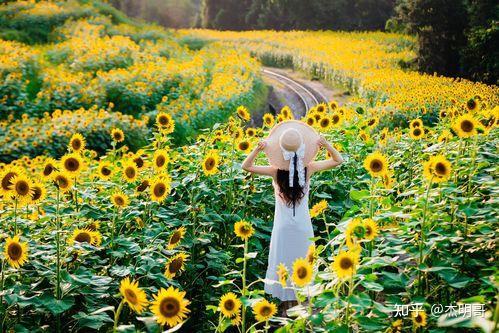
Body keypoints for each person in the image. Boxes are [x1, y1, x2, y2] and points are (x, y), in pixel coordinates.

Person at [242, 120, 343, 315]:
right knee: (302, 264)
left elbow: (246, 166)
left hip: (282, 228)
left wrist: (258, 149)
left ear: (279, 149)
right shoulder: (309, 168)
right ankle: (303, 306)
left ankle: (285, 309)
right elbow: (338, 160)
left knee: (284, 264)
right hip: (303, 227)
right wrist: (326, 144)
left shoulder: (275, 171)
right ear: (303, 147)